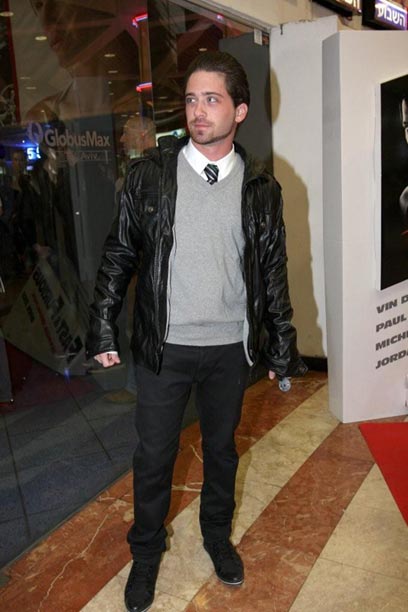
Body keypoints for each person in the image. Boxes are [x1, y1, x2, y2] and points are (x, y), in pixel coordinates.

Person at [86, 50, 307, 612]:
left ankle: (216, 537)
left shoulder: (261, 187)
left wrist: (282, 344)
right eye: (191, 99)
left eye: (212, 99)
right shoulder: (150, 176)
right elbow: (119, 255)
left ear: (240, 110)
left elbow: (272, 272)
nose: (198, 111)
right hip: (165, 347)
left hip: (229, 348)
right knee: (154, 458)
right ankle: (146, 552)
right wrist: (102, 328)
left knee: (222, 451)